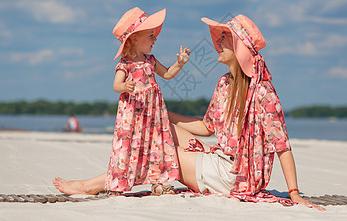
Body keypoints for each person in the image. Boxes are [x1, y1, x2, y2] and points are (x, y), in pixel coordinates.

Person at [53, 13, 324, 210]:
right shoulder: (224, 84)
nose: (217, 42)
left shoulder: (262, 92)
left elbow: (282, 145)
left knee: (159, 153)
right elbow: (207, 128)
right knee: (161, 133)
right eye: (218, 37)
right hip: (219, 161)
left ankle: (90, 186)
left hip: (236, 175)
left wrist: (294, 192)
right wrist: (163, 117)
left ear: (239, 48)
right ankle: (109, 179)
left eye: (224, 38)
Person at [55, 7, 191, 196]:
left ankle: (159, 181)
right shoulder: (125, 64)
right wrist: (124, 87)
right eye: (151, 35)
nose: (155, 39)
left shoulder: (150, 60)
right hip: (133, 115)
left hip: (152, 114)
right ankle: (118, 184)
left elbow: (167, 74)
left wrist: (180, 63)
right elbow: (116, 84)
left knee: (156, 145)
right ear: (134, 38)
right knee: (127, 147)